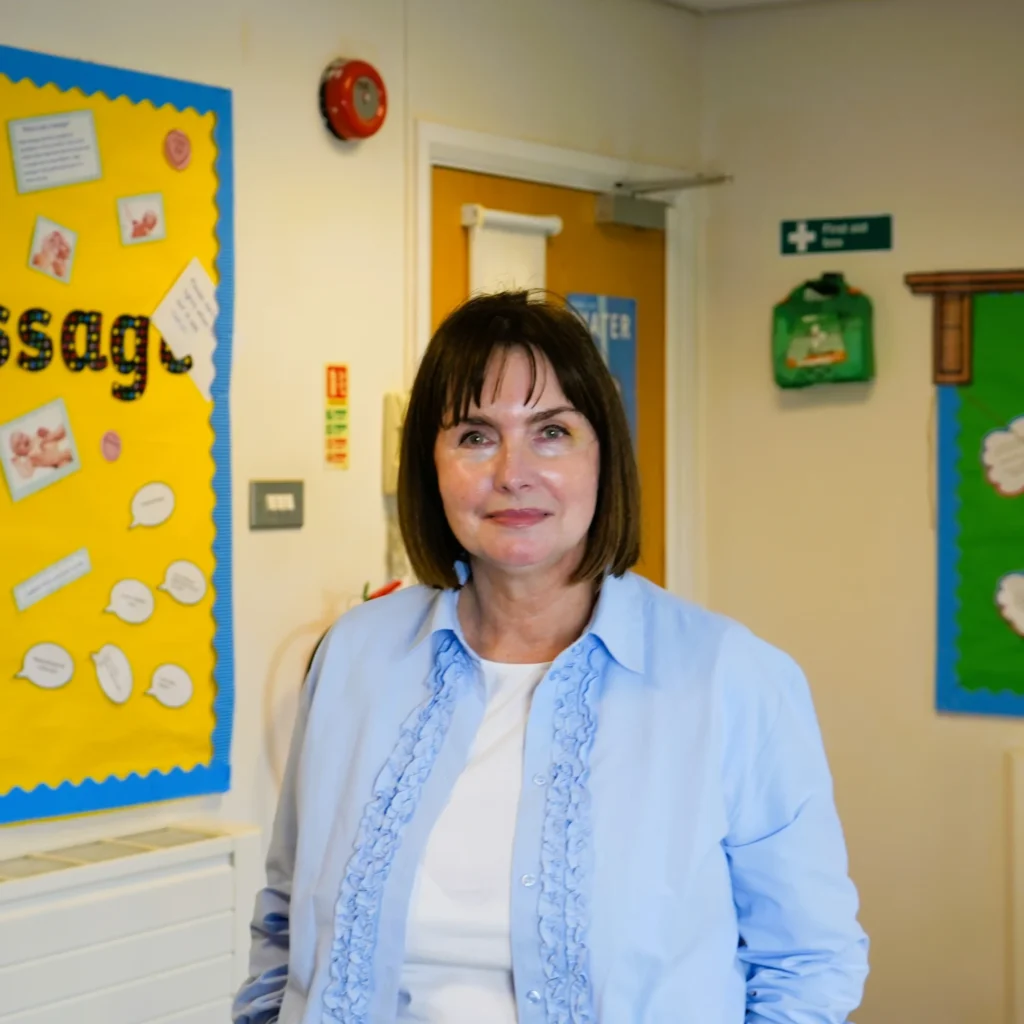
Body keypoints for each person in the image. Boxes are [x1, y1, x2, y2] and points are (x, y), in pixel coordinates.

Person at [233, 291, 869, 1024]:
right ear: (430, 466)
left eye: (552, 432)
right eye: (475, 436)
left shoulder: (730, 678)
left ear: (603, 456)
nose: (513, 472)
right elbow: (283, 923)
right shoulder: (355, 655)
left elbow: (809, 964)